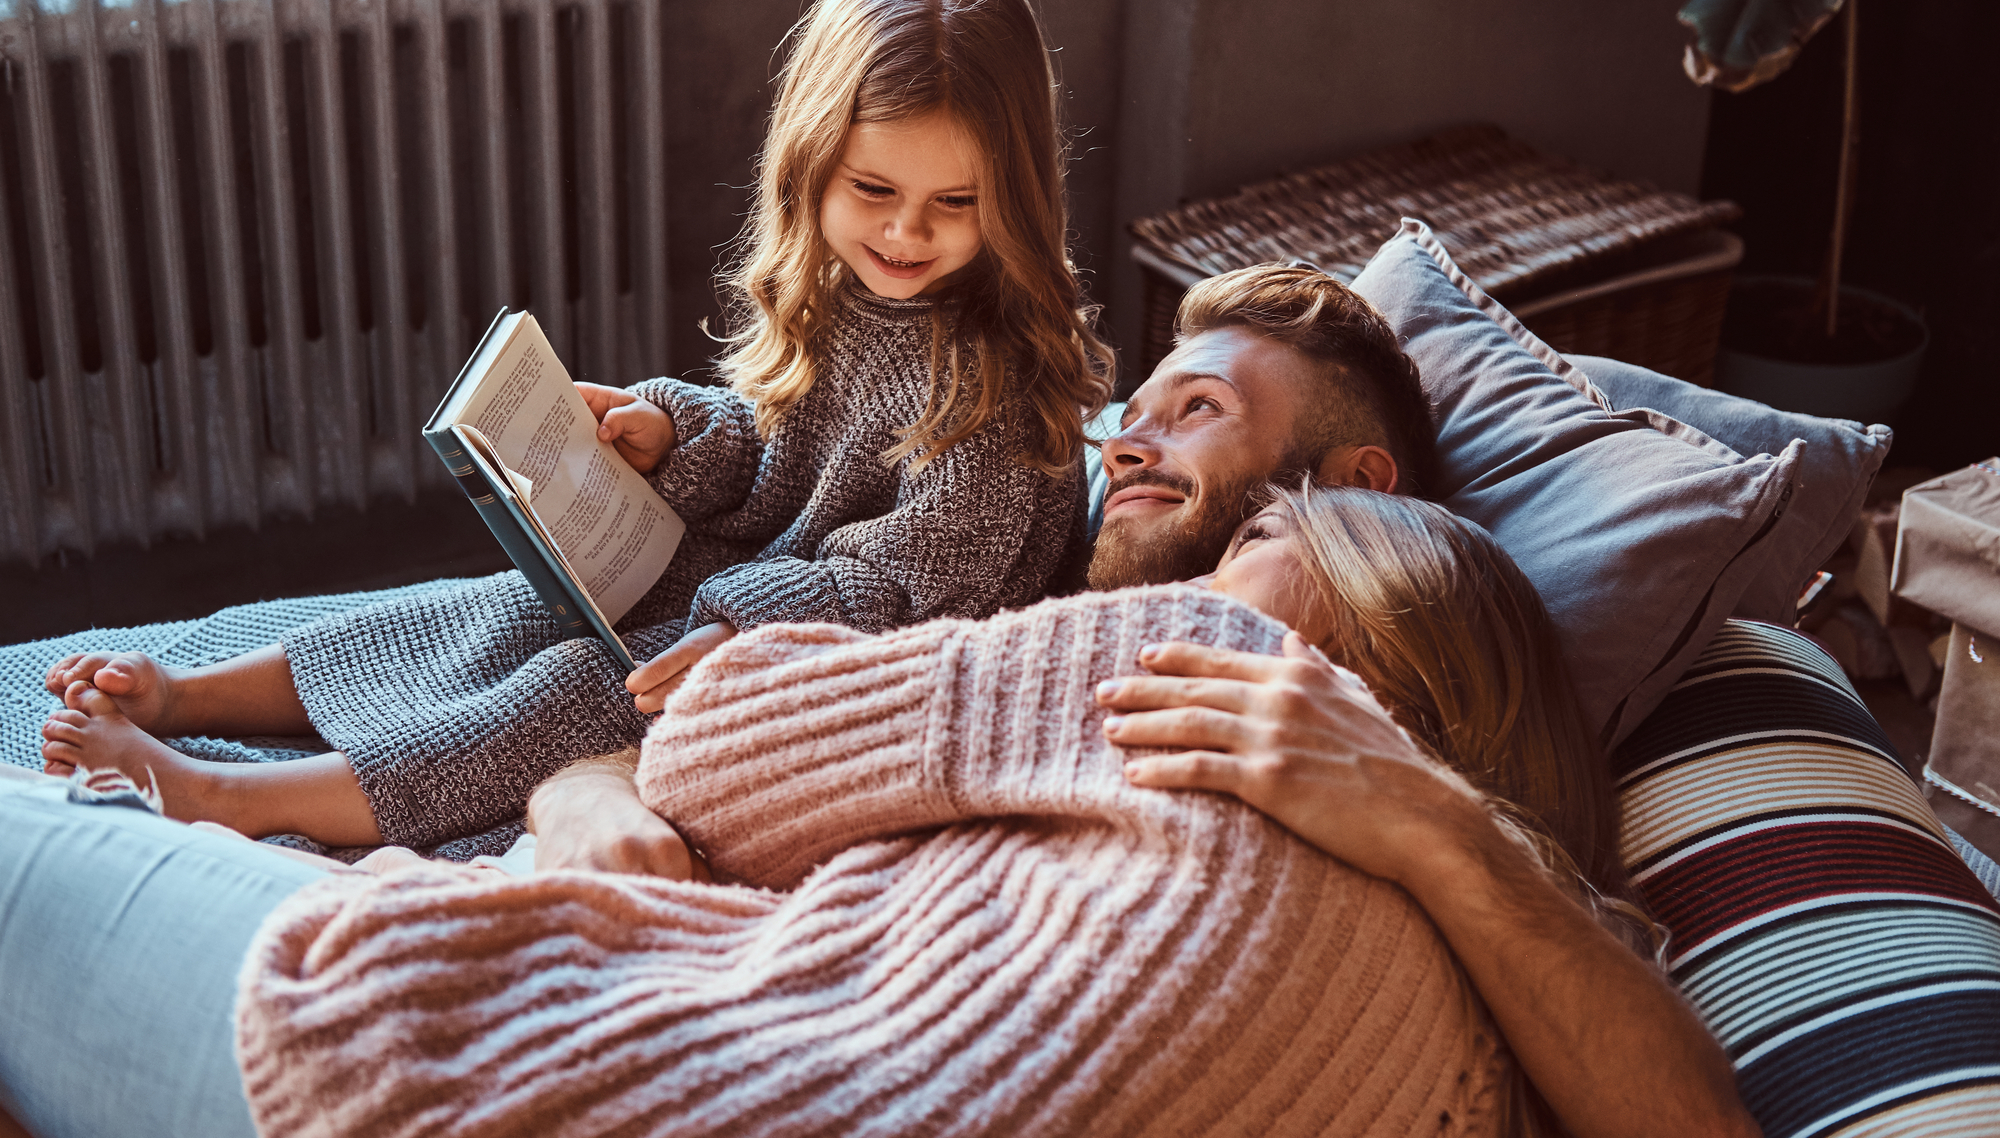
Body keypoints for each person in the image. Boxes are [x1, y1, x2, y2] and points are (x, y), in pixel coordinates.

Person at [0, 483, 1748, 1138]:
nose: (1187, 540)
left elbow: (708, 744)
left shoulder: (1209, 662)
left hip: (475, 1071)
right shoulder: (1488, 1034)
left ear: (1375, 587)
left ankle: (217, 795)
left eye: (1244, 534)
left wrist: (609, 787)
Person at [36, 0, 1114, 853]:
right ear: (807, 165)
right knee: (502, 611)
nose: (904, 234)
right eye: (871, 191)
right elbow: (775, 439)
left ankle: (218, 794)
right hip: (752, 587)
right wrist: (673, 431)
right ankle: (192, 697)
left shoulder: (996, 392)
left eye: (954, 204)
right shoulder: (850, 297)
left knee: (568, 699)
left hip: (850, 658)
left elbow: (900, 583)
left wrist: (747, 625)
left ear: (1012, 193)